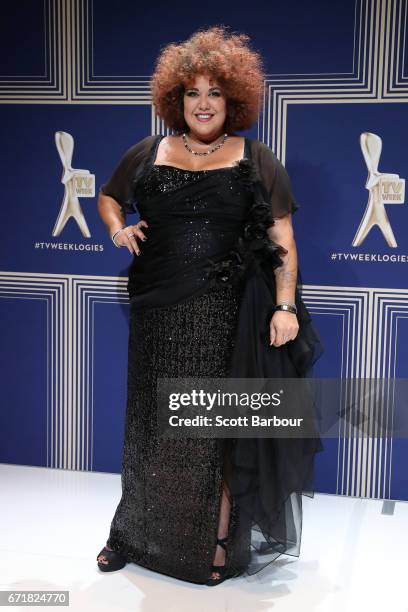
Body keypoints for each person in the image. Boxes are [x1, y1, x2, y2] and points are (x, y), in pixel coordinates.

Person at [96, 25, 324, 586]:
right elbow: (107, 196)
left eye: (215, 93)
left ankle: (218, 541)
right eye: (193, 93)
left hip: (226, 315)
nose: (203, 104)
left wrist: (285, 306)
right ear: (175, 98)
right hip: (157, 312)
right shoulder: (148, 152)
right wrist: (116, 227)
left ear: (234, 100)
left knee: (214, 430)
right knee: (153, 426)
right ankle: (133, 534)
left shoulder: (256, 158)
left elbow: (284, 240)